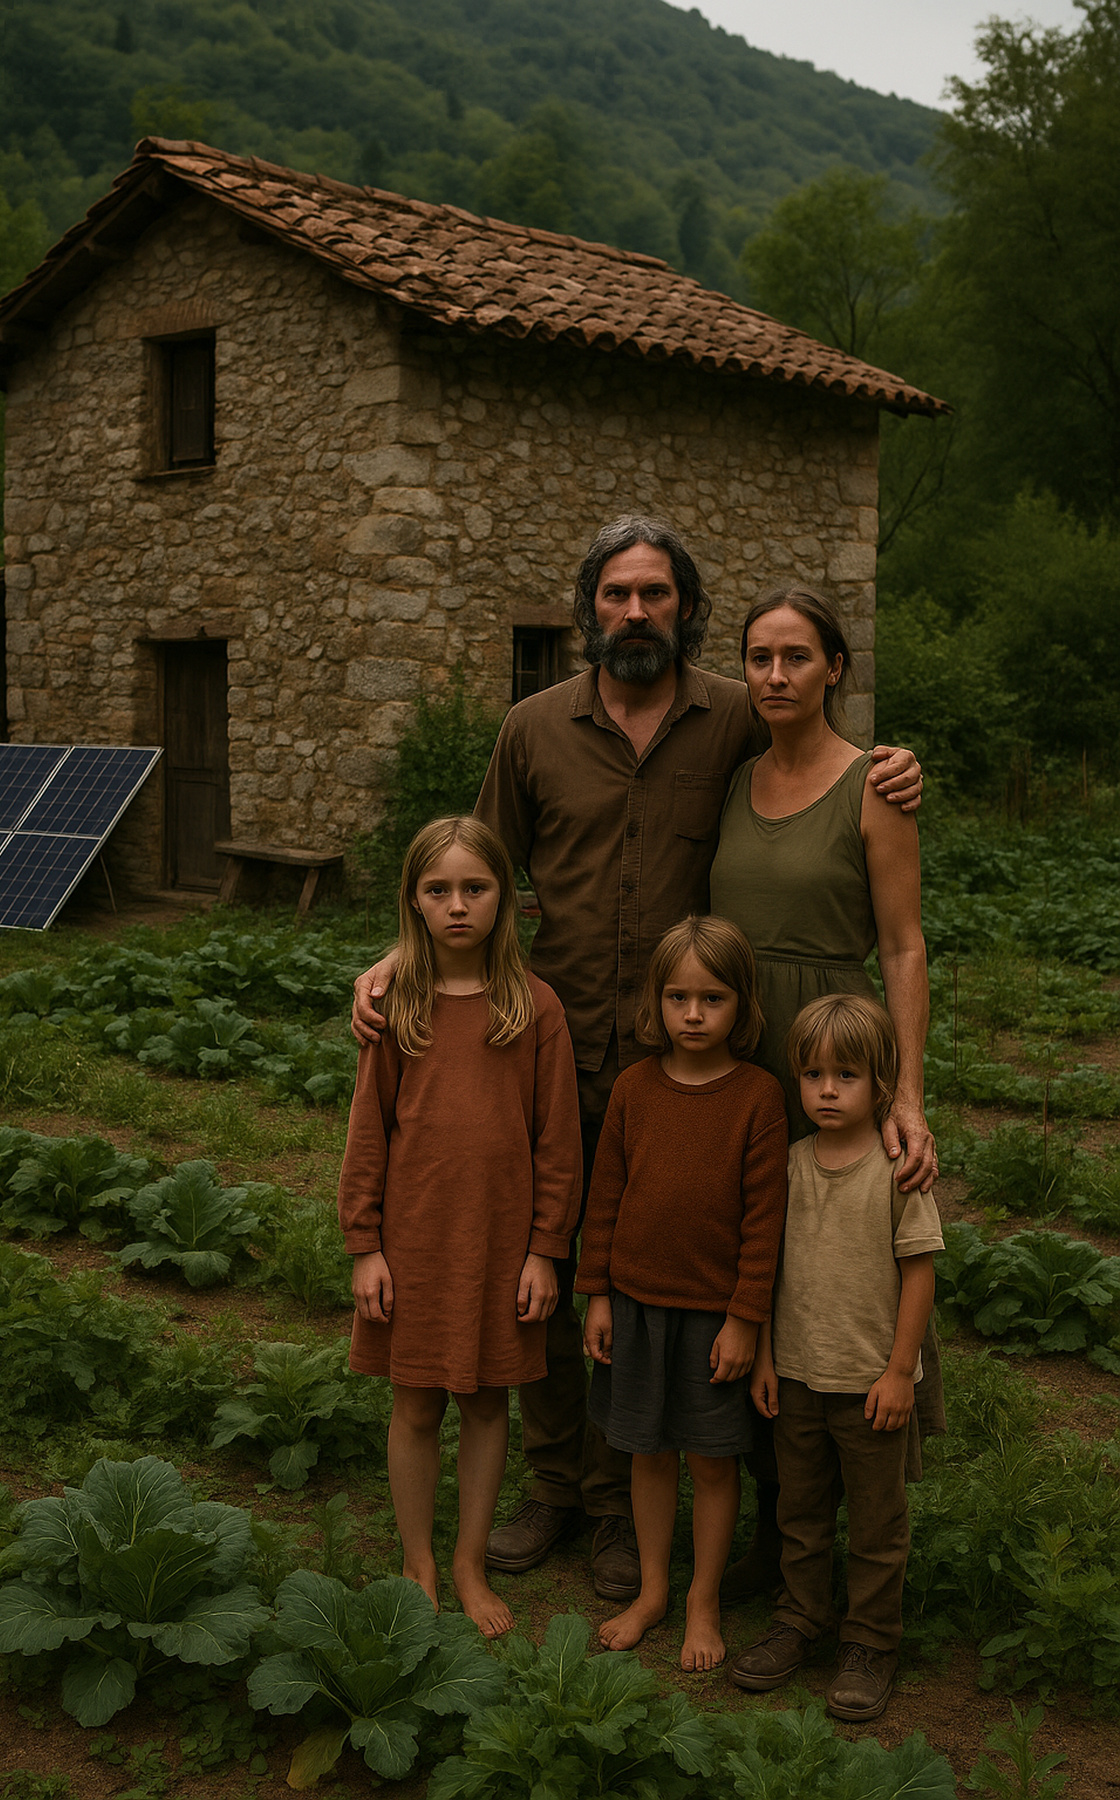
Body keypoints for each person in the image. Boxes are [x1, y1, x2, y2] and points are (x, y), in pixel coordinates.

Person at [353, 515, 923, 1601]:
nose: (634, 613)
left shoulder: (732, 725)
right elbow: (465, 867)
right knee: (553, 1279)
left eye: (655, 594)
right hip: (548, 1048)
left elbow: (822, 761)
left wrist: (898, 763)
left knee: (679, 1279)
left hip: (690, 1062)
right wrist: (391, 959)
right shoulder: (532, 729)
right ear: (587, 611)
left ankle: (636, 1500)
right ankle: (559, 1483)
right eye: (615, 594)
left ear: (686, 610)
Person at [709, 583, 938, 1600]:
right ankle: (775, 1521)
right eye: (759, 657)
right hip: (743, 1051)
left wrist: (907, 1094)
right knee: (759, 1277)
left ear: (835, 668)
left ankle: (867, 1520)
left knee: (846, 1271)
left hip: (832, 1056)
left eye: (798, 656)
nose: (776, 674)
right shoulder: (732, 777)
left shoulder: (875, 786)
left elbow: (902, 944)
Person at [338, 815, 581, 1637]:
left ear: (505, 900)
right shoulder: (395, 1005)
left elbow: (558, 1142)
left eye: (474, 888)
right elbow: (367, 1133)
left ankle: (472, 1562)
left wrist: (546, 1251)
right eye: (438, 891)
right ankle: (419, 1561)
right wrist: (365, 1247)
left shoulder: (534, 1008)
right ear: (413, 902)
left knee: (484, 1406)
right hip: (413, 1246)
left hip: (500, 1248)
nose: (457, 906)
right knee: (414, 1407)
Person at [577, 917, 787, 1671]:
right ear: (655, 1003)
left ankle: (704, 1599)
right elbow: (603, 1198)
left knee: (712, 1460)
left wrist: (745, 1320)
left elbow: (766, 1224)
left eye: (712, 998)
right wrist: (595, 1293)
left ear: (742, 1005)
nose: (693, 1015)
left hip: (714, 1319)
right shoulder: (634, 1088)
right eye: (677, 997)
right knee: (647, 1453)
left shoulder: (758, 1097)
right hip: (634, 1307)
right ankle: (654, 1591)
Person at [732, 994, 943, 1722]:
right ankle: (801, 1618)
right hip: (794, 1377)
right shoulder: (788, 1165)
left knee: (878, 1524)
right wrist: (762, 1357)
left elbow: (920, 1272)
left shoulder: (896, 1172)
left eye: (846, 1075)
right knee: (800, 1510)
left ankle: (872, 1639)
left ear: (882, 1085)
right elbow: (764, 1269)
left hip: (868, 1385)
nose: (827, 1089)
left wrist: (897, 1372)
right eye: (814, 1074)